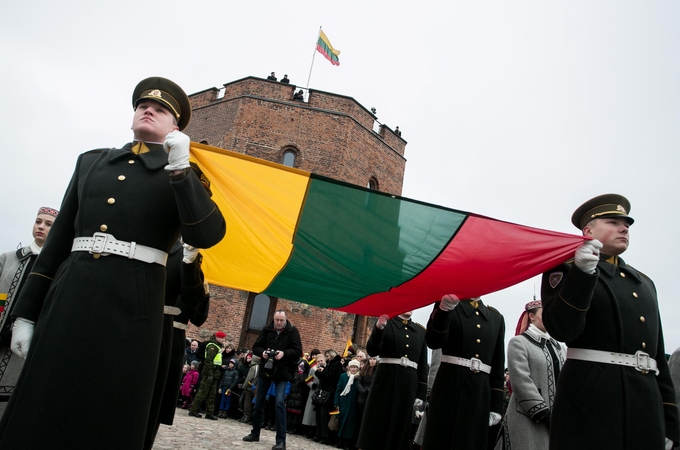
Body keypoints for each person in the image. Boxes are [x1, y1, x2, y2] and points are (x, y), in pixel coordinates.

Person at [0, 77, 226, 449]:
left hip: (132, 309)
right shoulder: (92, 162)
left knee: (110, 407)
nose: (148, 109)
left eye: (161, 109)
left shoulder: (182, 173)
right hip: (71, 295)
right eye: (142, 105)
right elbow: (56, 246)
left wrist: (183, 170)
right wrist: (26, 313)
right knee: (45, 398)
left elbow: (207, 235)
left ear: (176, 127)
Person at [541, 194, 680, 450]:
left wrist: (670, 422)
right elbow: (562, 329)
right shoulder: (567, 268)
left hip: (645, 405)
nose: (624, 228)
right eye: (613, 222)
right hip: (591, 401)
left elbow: (658, 357)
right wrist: (583, 275)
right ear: (588, 230)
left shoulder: (644, 282)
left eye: (626, 223)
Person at [143, 234, 211, 450]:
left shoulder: (190, 272)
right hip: (148, 327)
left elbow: (198, 318)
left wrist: (205, 293)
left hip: (174, 339)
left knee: (159, 397)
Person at [423, 295, 506, 449]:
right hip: (449, 389)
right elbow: (433, 341)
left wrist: (496, 406)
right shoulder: (449, 306)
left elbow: (498, 366)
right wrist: (444, 310)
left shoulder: (496, 318)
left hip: (479, 395)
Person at [0, 206, 58, 417]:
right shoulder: (7, 259)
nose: (41, 227)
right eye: (38, 221)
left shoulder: (58, 267)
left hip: (25, 348)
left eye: (49, 224)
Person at [494, 299, 565, 450]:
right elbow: (521, 380)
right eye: (544, 314)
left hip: (558, 419)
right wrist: (542, 412)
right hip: (528, 418)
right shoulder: (519, 343)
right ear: (531, 317)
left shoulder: (560, 348)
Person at [356, 311, 428, 450]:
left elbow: (422, 366)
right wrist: (378, 329)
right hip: (385, 380)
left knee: (400, 424)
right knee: (379, 420)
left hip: (408, 385)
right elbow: (372, 350)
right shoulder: (387, 324)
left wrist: (420, 394)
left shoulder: (420, 331)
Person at [243, 310, 303, 450]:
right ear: (273, 319)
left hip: (283, 373)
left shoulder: (292, 331)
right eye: (277, 320)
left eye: (281, 320)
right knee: (258, 402)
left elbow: (297, 351)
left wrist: (284, 353)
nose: (279, 322)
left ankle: (281, 441)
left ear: (286, 320)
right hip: (266, 371)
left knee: (279, 403)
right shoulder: (267, 329)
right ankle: (255, 433)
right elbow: (256, 346)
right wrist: (262, 353)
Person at [189, 331, 227, 420]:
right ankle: (193, 410)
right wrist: (210, 373)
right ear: (217, 337)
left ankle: (209, 412)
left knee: (212, 394)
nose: (223, 340)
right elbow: (208, 361)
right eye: (222, 338)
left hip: (214, 373)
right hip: (209, 372)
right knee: (203, 392)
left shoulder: (217, 346)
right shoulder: (212, 346)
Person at [314, 348, 343, 446]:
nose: (326, 358)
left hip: (330, 394)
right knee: (319, 415)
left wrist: (323, 372)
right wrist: (320, 372)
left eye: (327, 356)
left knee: (325, 416)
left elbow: (331, 378)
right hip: (323, 393)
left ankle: (325, 437)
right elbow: (324, 378)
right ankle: (319, 434)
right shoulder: (330, 364)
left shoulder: (336, 365)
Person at [334, 358, 361, 450]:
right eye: (352, 367)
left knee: (350, 425)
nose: (353, 369)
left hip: (353, 404)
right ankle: (340, 441)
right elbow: (338, 389)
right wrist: (336, 402)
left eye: (355, 367)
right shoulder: (343, 376)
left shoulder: (359, 378)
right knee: (341, 422)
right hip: (343, 403)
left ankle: (347, 443)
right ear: (349, 368)